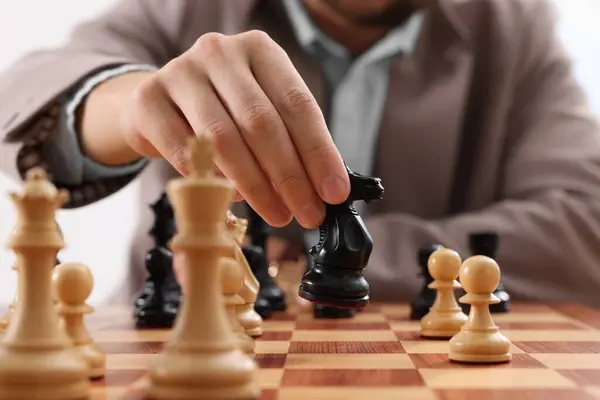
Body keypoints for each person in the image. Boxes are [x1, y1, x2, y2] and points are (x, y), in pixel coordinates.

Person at [1, 0, 600, 306]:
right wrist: (130, 105)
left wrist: (311, 259)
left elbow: (586, 227)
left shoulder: (513, 27)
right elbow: (26, 98)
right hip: (175, 353)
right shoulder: (193, 8)